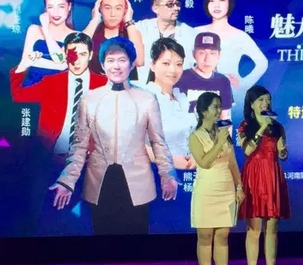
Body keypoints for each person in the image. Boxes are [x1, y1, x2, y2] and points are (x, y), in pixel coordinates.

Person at [49, 37, 178, 235]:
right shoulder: (89, 100)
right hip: (99, 183)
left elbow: (158, 142)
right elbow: (79, 146)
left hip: (138, 183)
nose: (116, 66)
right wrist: (67, 180)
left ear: (132, 64)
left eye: (122, 60)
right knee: (103, 246)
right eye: (110, 60)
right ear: (102, 65)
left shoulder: (147, 99)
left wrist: (168, 174)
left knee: (137, 245)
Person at [188, 92, 245, 265]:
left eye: (220, 106)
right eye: (215, 106)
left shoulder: (224, 134)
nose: (219, 110)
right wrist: (219, 142)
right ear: (203, 111)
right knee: (205, 237)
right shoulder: (195, 137)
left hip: (226, 189)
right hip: (206, 190)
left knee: (222, 237)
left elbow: (232, 163)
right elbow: (204, 163)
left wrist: (239, 186)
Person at [10, 32, 106, 154]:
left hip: (92, 157)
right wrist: (23, 66)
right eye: (72, 54)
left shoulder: (105, 84)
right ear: (65, 55)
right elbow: (18, 95)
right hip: (54, 154)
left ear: (90, 55)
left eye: (82, 54)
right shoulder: (51, 82)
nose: (76, 61)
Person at [237, 85, 290, 265]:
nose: (265, 103)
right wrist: (261, 128)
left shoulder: (277, 127)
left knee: (272, 229)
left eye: (267, 99)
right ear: (251, 104)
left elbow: (283, 155)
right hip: (253, 177)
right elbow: (248, 150)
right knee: (254, 229)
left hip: (272, 176)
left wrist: (283, 149)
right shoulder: (245, 126)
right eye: (260, 100)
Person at [195, 0, 268, 90]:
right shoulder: (196, 32)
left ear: (230, 3)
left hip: (231, 92)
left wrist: (243, 84)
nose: (216, 5)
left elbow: (262, 63)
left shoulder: (240, 36)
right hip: (200, 91)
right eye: (212, 1)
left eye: (222, 0)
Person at [144, 37, 196, 170]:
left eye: (178, 64)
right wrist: (169, 159)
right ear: (152, 65)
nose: (173, 70)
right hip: (157, 173)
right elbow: (131, 144)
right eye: (166, 63)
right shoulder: (144, 98)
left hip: (188, 174)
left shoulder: (182, 99)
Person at [82, 0, 144, 80]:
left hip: (125, 88)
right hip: (95, 87)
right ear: (100, 8)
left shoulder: (132, 33)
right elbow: (76, 52)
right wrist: (94, 20)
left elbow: (139, 62)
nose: (113, 14)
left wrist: (129, 21)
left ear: (126, 9)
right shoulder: (92, 32)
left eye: (118, 8)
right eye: (107, 8)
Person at [135, 0, 196, 84]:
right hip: (145, 88)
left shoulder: (190, 34)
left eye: (177, 4)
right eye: (170, 4)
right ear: (155, 8)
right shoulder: (141, 28)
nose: (176, 8)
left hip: (179, 89)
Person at [19, 0, 76, 85]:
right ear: (46, 9)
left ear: (69, 6)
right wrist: (60, 66)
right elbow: (25, 61)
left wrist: (45, 30)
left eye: (61, 6)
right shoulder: (34, 30)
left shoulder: (75, 36)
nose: (55, 12)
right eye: (50, 7)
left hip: (59, 88)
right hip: (32, 86)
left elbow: (59, 59)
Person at [175, 32, 233, 120]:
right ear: (194, 54)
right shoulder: (181, 77)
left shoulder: (223, 81)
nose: (207, 59)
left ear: (219, 55)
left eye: (212, 53)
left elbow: (224, 119)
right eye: (202, 53)